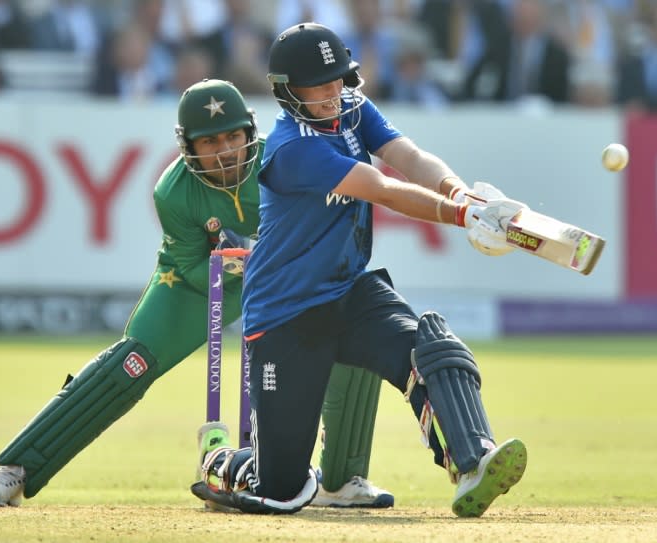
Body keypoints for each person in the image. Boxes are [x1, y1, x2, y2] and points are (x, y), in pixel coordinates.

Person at [0, 79, 393, 509]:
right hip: (199, 283)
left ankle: (341, 481)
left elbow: (341, 225)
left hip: (289, 278)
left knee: (351, 321)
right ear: (187, 146)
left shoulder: (287, 158)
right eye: (209, 141)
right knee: (129, 363)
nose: (225, 150)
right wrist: (242, 261)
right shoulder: (173, 191)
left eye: (233, 136)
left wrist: (277, 262)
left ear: (251, 131)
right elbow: (192, 266)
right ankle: (16, 469)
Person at [191, 22, 528, 517]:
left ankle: (472, 462)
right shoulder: (291, 150)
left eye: (340, 80)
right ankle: (221, 457)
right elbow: (383, 188)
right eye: (321, 86)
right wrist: (460, 218)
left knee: (429, 347)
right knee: (282, 489)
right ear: (289, 92)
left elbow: (406, 156)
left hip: (348, 292)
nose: (335, 94)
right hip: (285, 317)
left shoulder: (352, 110)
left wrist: (461, 193)